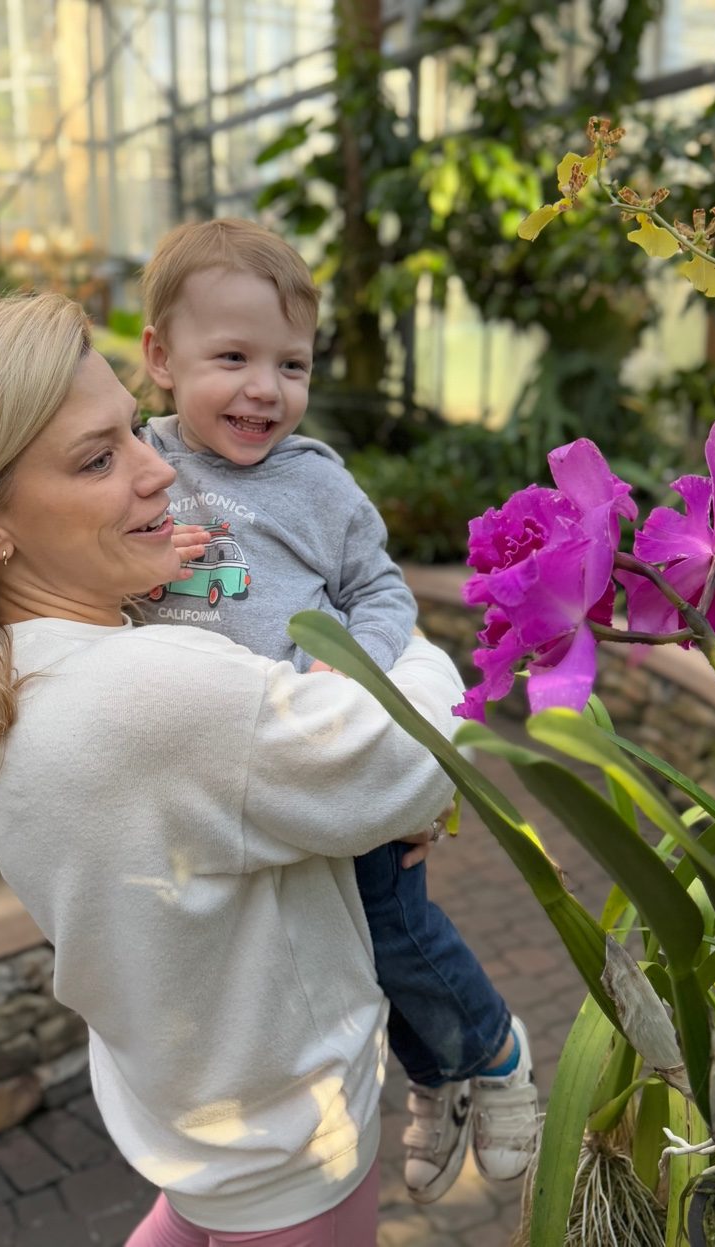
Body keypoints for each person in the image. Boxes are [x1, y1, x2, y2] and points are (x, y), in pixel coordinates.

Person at [0, 293, 471, 1246]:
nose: (161, 472)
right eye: (98, 458)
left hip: (189, 1120)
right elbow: (414, 753)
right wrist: (407, 643)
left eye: (133, 431)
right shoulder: (150, 690)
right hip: (287, 1147)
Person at [135, 219, 538, 1203]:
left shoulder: (314, 483)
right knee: (329, 955)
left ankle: (486, 1046)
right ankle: (432, 1069)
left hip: (322, 747)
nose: (264, 388)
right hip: (225, 776)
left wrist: (359, 683)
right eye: (231, 357)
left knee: (390, 925)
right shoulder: (136, 471)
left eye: (292, 363)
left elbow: (381, 592)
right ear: (157, 357)